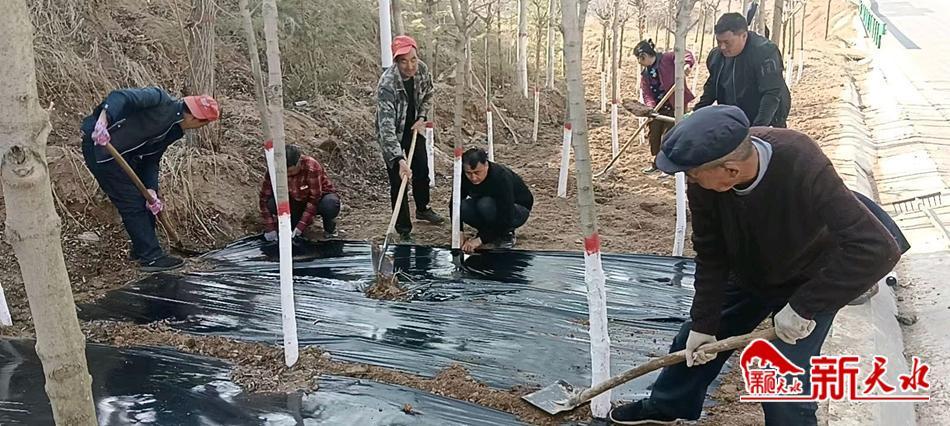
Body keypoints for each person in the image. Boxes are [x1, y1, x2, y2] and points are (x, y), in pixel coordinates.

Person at [608, 105, 901, 425]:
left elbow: (878, 248)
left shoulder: (800, 160)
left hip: (812, 276)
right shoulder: (705, 178)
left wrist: (804, 306)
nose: (688, 179)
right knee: (691, 344)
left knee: (782, 378)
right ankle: (668, 407)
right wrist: (704, 324)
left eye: (690, 174)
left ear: (731, 171)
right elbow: (711, 252)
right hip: (751, 271)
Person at [81, 87, 219, 272]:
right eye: (204, 125)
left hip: (127, 155)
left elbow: (152, 159)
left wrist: (151, 189)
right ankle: (151, 257)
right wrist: (102, 122)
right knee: (131, 202)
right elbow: (120, 96)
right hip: (100, 149)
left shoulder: (174, 130)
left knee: (147, 201)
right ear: (196, 120)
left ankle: (141, 249)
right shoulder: (159, 99)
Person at [375, 34, 444, 242]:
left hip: (414, 127)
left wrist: (421, 117)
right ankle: (403, 228)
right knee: (399, 180)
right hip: (393, 133)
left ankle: (423, 208)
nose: (410, 66)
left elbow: (429, 93)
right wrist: (398, 159)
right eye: (404, 61)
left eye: (413, 59)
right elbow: (386, 127)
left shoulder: (422, 69)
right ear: (396, 61)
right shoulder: (387, 85)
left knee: (421, 169)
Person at [693, 12, 791, 128]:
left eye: (727, 42)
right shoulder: (716, 57)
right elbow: (711, 88)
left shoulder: (765, 52)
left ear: (744, 36)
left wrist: (758, 128)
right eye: (719, 42)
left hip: (768, 119)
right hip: (734, 118)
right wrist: (695, 114)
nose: (722, 47)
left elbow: (771, 94)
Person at [624, 39, 696, 173]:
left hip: (675, 105)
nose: (639, 62)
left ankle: (668, 166)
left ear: (644, 56)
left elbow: (686, 54)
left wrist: (687, 65)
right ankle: (657, 163)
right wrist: (651, 107)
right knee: (654, 136)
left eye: (639, 58)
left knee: (669, 136)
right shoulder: (645, 74)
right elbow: (647, 94)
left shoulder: (667, 58)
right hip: (658, 109)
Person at [454, 148, 533, 253]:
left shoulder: (501, 177)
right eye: (469, 173)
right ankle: (487, 232)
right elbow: (454, 203)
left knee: (485, 204)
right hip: (489, 206)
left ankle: (506, 234)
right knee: (463, 206)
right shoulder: (462, 175)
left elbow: (506, 214)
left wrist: (480, 240)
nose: (473, 178)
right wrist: (459, 232)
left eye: (477, 172)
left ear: (486, 165)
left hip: (516, 210)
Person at [259, 144, 340, 241]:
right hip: (294, 200)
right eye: (284, 172)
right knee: (271, 204)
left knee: (330, 204)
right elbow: (264, 198)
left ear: (299, 162)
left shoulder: (311, 167)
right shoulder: (274, 170)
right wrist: (270, 227)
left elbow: (314, 199)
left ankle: (330, 229)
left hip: (318, 200)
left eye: (290, 171)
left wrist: (301, 226)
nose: (287, 175)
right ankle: (292, 223)